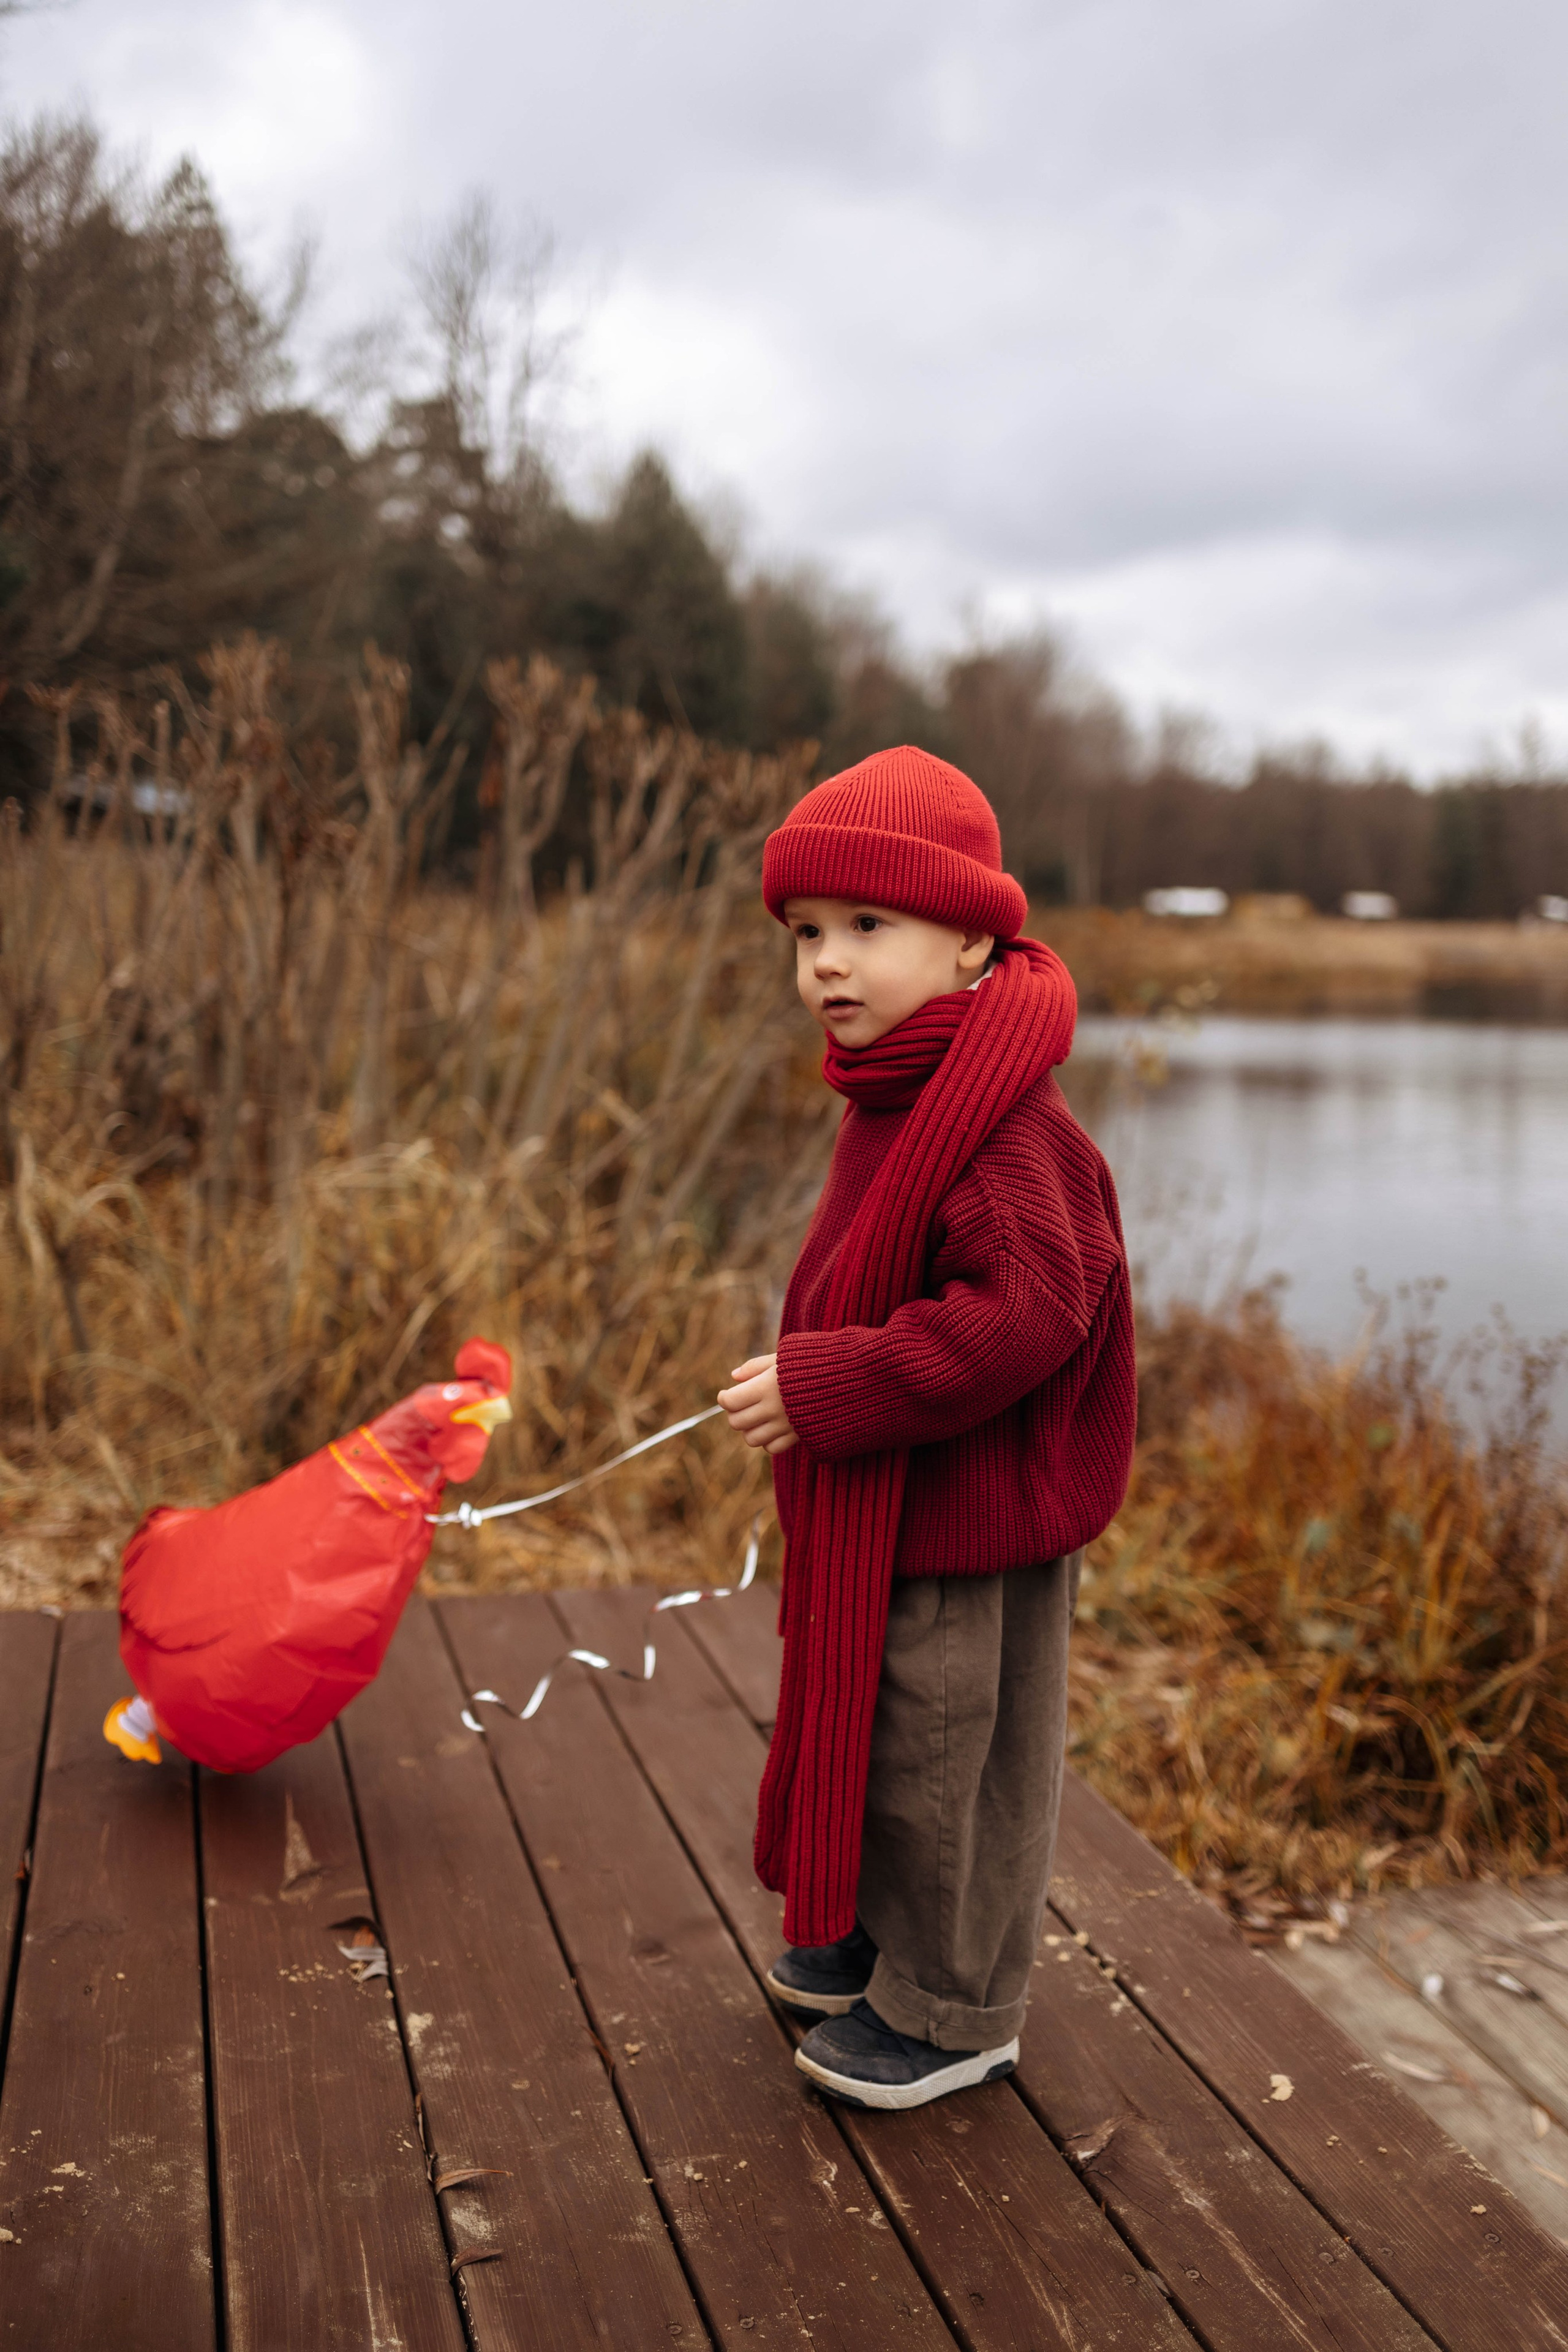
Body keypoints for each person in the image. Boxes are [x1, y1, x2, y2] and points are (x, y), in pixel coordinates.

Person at [717, 744, 1136, 2111]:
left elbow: (1024, 1314)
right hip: (896, 1502)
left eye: (867, 928)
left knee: (956, 1762)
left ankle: (958, 2011)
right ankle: (880, 1940)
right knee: (889, 1728)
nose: (826, 965)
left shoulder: (1002, 1120)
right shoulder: (898, 1084)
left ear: (970, 939)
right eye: (806, 934)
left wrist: (829, 1385)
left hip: (973, 1513)